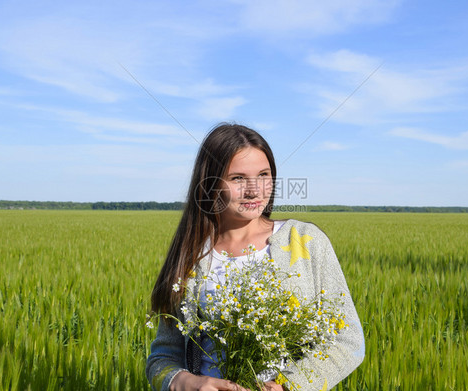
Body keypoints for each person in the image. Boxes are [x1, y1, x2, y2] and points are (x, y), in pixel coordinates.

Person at [146, 123, 364, 391]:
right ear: (211, 184)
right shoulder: (191, 255)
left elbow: (348, 340)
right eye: (237, 178)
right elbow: (161, 358)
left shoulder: (304, 241)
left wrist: (290, 386)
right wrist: (187, 382)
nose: (254, 190)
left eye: (263, 175)